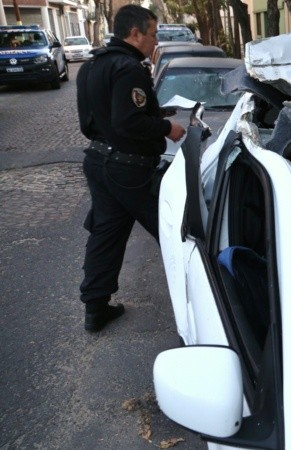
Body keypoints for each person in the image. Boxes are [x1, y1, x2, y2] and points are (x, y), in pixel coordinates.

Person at [76, 5, 185, 332]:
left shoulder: (92, 65)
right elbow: (127, 121)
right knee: (175, 232)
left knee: (106, 235)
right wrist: (168, 130)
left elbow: (99, 120)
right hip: (130, 170)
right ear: (134, 33)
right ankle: (208, 300)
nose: (155, 42)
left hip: (99, 161)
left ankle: (95, 308)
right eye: (152, 35)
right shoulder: (130, 68)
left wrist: (159, 113)